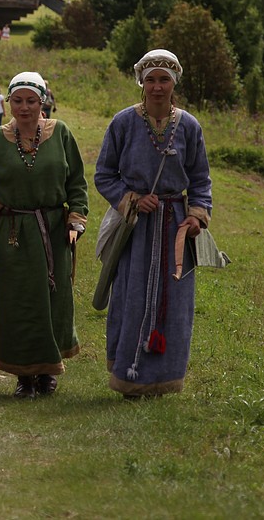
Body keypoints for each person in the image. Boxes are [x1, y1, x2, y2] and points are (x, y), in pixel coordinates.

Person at [0, 71, 89, 399]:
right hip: (15, 233)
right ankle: (23, 377)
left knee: (53, 300)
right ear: (8, 102)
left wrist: (75, 219)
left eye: (31, 101)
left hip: (55, 230)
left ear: (43, 102)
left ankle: (47, 372)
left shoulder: (62, 134)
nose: (24, 107)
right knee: (18, 302)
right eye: (17, 101)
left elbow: (77, 182)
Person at [94, 49, 212, 397]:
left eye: (164, 79)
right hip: (136, 227)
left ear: (174, 83)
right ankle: (128, 376)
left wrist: (196, 214)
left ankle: (166, 379)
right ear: (141, 83)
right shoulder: (122, 123)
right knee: (132, 295)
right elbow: (104, 174)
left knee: (175, 302)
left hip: (175, 226)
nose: (157, 86)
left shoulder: (189, 125)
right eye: (151, 79)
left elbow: (201, 180)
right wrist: (131, 198)